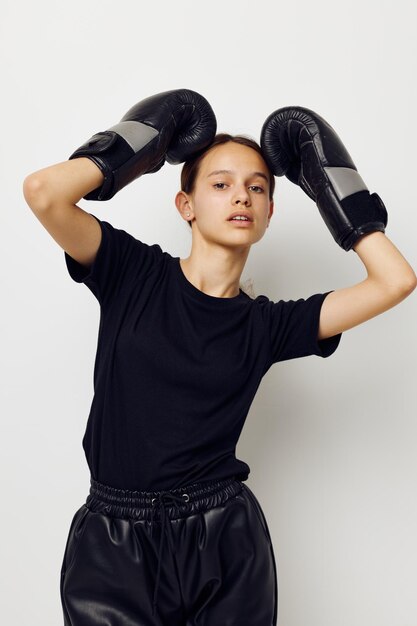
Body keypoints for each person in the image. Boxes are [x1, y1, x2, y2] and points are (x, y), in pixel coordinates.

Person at [23, 89, 417, 626]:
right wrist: (141, 141)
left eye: (258, 188)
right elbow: (44, 192)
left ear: (270, 212)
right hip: (111, 544)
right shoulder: (131, 272)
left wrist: (338, 198)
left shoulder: (268, 325)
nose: (242, 197)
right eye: (221, 183)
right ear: (185, 204)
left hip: (223, 540)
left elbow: (396, 281)